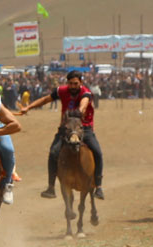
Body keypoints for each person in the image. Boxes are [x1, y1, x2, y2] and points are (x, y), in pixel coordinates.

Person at [20, 70, 105, 200]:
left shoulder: (86, 93)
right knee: (53, 152)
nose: (73, 86)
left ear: (80, 83)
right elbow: (45, 99)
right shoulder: (62, 91)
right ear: (67, 83)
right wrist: (28, 107)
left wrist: (80, 111)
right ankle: (51, 187)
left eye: (75, 83)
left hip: (85, 129)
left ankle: (98, 186)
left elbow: (84, 103)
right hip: (65, 129)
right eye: (70, 83)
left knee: (97, 152)